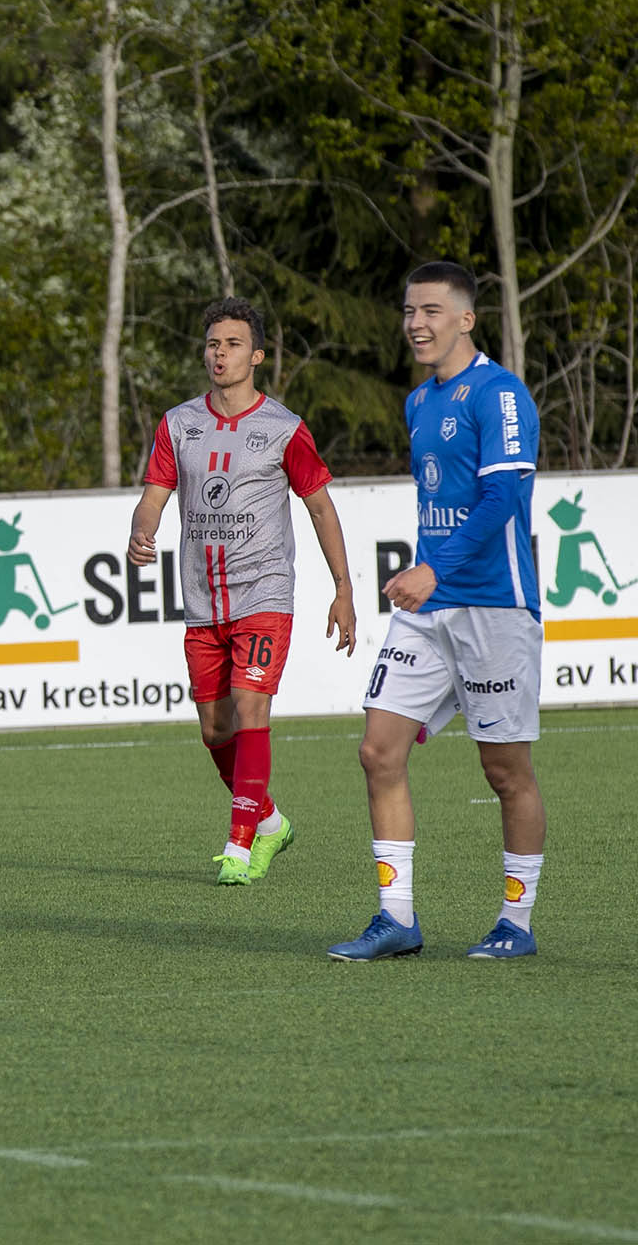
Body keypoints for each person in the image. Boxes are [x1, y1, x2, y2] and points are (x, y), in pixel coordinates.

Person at [331, 260, 546, 962]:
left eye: (429, 310)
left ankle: (516, 921)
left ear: (465, 317)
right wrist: (429, 576)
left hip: (494, 608)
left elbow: (502, 501)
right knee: (378, 750)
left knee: (504, 770)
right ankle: (397, 916)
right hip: (429, 611)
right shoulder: (419, 402)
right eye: (407, 310)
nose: (415, 323)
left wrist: (432, 567)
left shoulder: (501, 394)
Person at [127, 297, 357, 886]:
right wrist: (142, 531)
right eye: (212, 344)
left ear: (256, 355)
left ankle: (239, 842)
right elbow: (155, 493)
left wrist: (342, 588)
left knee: (252, 708)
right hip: (202, 600)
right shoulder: (179, 423)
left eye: (231, 344)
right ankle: (272, 821)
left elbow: (321, 509)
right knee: (215, 730)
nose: (219, 354)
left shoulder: (284, 429)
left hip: (265, 594)